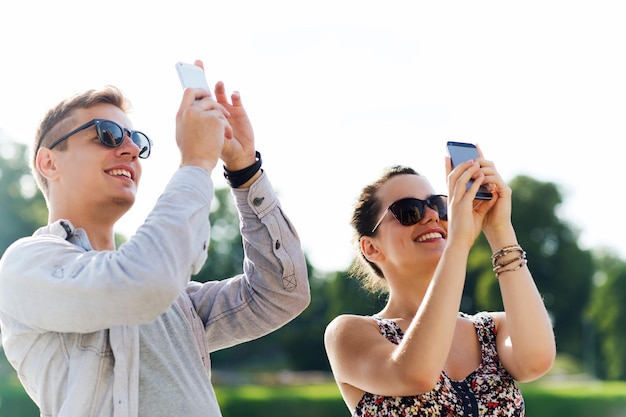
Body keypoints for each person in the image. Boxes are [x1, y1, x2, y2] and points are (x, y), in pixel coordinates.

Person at [0, 61, 310, 417]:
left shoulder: (175, 299)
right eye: (107, 134)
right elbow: (141, 283)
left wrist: (245, 171)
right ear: (48, 162)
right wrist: (195, 162)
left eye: (137, 141)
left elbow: (282, 294)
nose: (130, 149)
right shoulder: (25, 264)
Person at [324, 151, 556, 416]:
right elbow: (415, 374)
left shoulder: (493, 329)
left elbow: (537, 361)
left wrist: (499, 229)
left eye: (439, 205)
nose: (432, 216)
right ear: (372, 248)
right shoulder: (349, 333)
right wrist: (458, 242)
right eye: (409, 211)